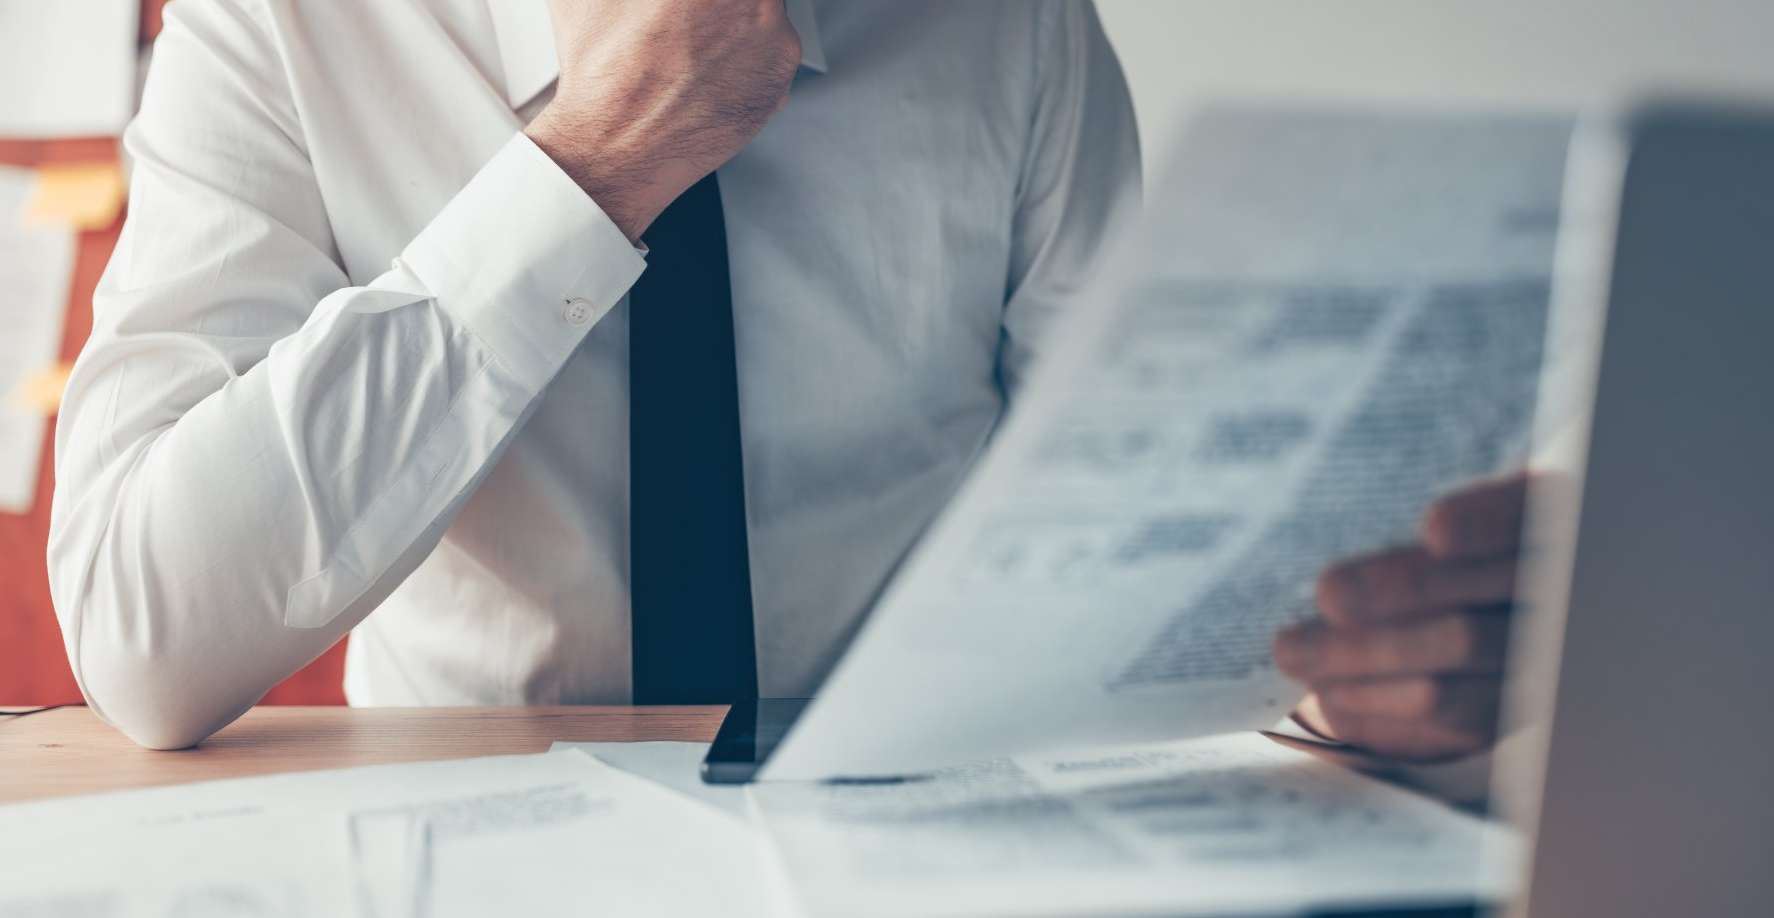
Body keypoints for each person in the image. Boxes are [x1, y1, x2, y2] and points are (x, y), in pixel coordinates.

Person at [48, 0, 1525, 765]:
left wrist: (1346, 687)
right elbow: (142, 636)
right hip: (452, 844)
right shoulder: (278, 29)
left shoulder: (1009, 27)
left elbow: (1155, 551)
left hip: (915, 834)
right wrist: (597, 163)